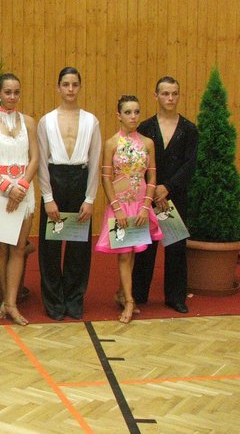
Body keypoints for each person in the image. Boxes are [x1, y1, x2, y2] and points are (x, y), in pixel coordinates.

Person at [36, 67, 102, 320]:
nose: (70, 89)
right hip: (55, 179)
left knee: (79, 247)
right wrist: (48, 197)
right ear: (58, 87)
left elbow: (95, 161)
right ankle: (54, 301)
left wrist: (90, 198)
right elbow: (42, 161)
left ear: (80, 87)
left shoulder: (91, 121)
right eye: (66, 84)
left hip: (80, 180)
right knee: (50, 247)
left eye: (75, 84)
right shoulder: (47, 121)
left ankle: (74, 299)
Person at [96, 95, 163, 323]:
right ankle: (130, 301)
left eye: (136, 112)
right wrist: (116, 208)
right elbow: (106, 178)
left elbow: (152, 177)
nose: (133, 116)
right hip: (120, 205)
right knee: (124, 254)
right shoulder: (111, 143)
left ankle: (122, 293)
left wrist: (146, 206)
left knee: (132, 252)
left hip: (140, 204)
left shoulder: (147, 143)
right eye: (127, 112)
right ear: (119, 115)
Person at [133, 77, 197, 313]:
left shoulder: (189, 129)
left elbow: (190, 164)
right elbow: (138, 163)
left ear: (179, 95)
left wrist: (168, 187)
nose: (170, 98)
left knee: (176, 247)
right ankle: (138, 293)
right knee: (145, 245)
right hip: (148, 196)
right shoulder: (145, 128)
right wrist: (152, 189)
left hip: (174, 196)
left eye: (174, 93)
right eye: (165, 93)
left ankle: (175, 296)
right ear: (156, 96)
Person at [0, 73, 38, 326]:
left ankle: (12, 304)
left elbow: (35, 157)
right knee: (2, 248)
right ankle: (6, 300)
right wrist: (7, 188)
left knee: (18, 248)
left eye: (16, 92)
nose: (12, 97)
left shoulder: (29, 122)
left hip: (24, 190)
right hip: (0, 191)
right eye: (7, 92)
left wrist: (22, 187)